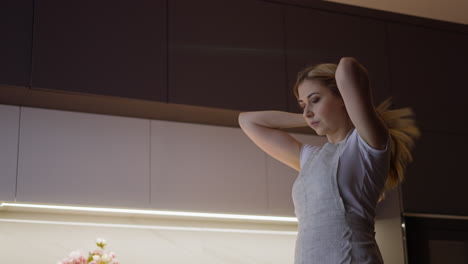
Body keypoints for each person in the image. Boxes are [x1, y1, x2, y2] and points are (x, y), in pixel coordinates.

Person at [238, 57, 420, 264]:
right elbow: (247, 121)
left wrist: (340, 106)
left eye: (315, 100)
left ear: (343, 97)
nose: (306, 110)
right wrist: (311, 115)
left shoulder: (367, 143)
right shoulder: (310, 158)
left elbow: (347, 67)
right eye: (302, 104)